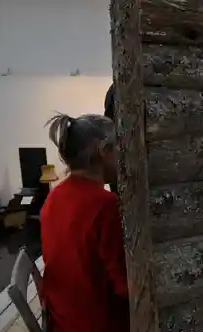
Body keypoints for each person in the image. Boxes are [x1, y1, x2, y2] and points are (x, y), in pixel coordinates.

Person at [40, 113, 129, 332]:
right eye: (118, 148)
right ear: (105, 152)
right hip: (94, 323)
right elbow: (126, 287)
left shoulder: (55, 196)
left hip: (62, 319)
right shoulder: (105, 204)